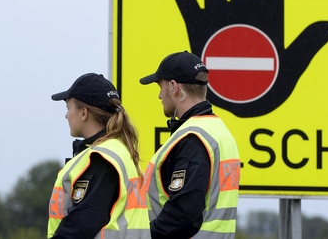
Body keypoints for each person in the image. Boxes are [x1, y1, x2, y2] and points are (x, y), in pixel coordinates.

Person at [139, 51, 240, 239]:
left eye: (160, 87)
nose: (159, 96)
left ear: (173, 87)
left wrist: (142, 236)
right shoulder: (219, 131)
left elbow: (183, 215)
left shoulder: (193, 137)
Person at [48, 73, 151, 239]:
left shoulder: (101, 158)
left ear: (84, 113)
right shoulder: (119, 151)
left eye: (68, 108)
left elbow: (81, 225)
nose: (66, 116)